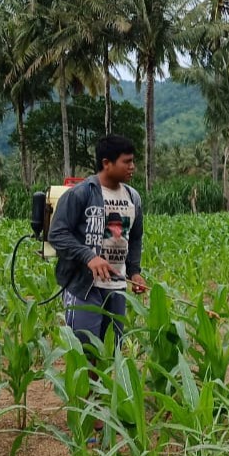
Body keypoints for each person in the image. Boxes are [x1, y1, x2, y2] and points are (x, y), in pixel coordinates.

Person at [47, 134, 147, 364]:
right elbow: (57, 234)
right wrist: (89, 257)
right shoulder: (81, 193)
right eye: (127, 161)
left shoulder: (133, 197)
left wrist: (134, 271)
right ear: (106, 163)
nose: (132, 167)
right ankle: (85, 399)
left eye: (133, 161)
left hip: (117, 285)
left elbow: (135, 237)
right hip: (83, 285)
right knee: (86, 352)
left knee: (112, 352)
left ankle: (103, 399)